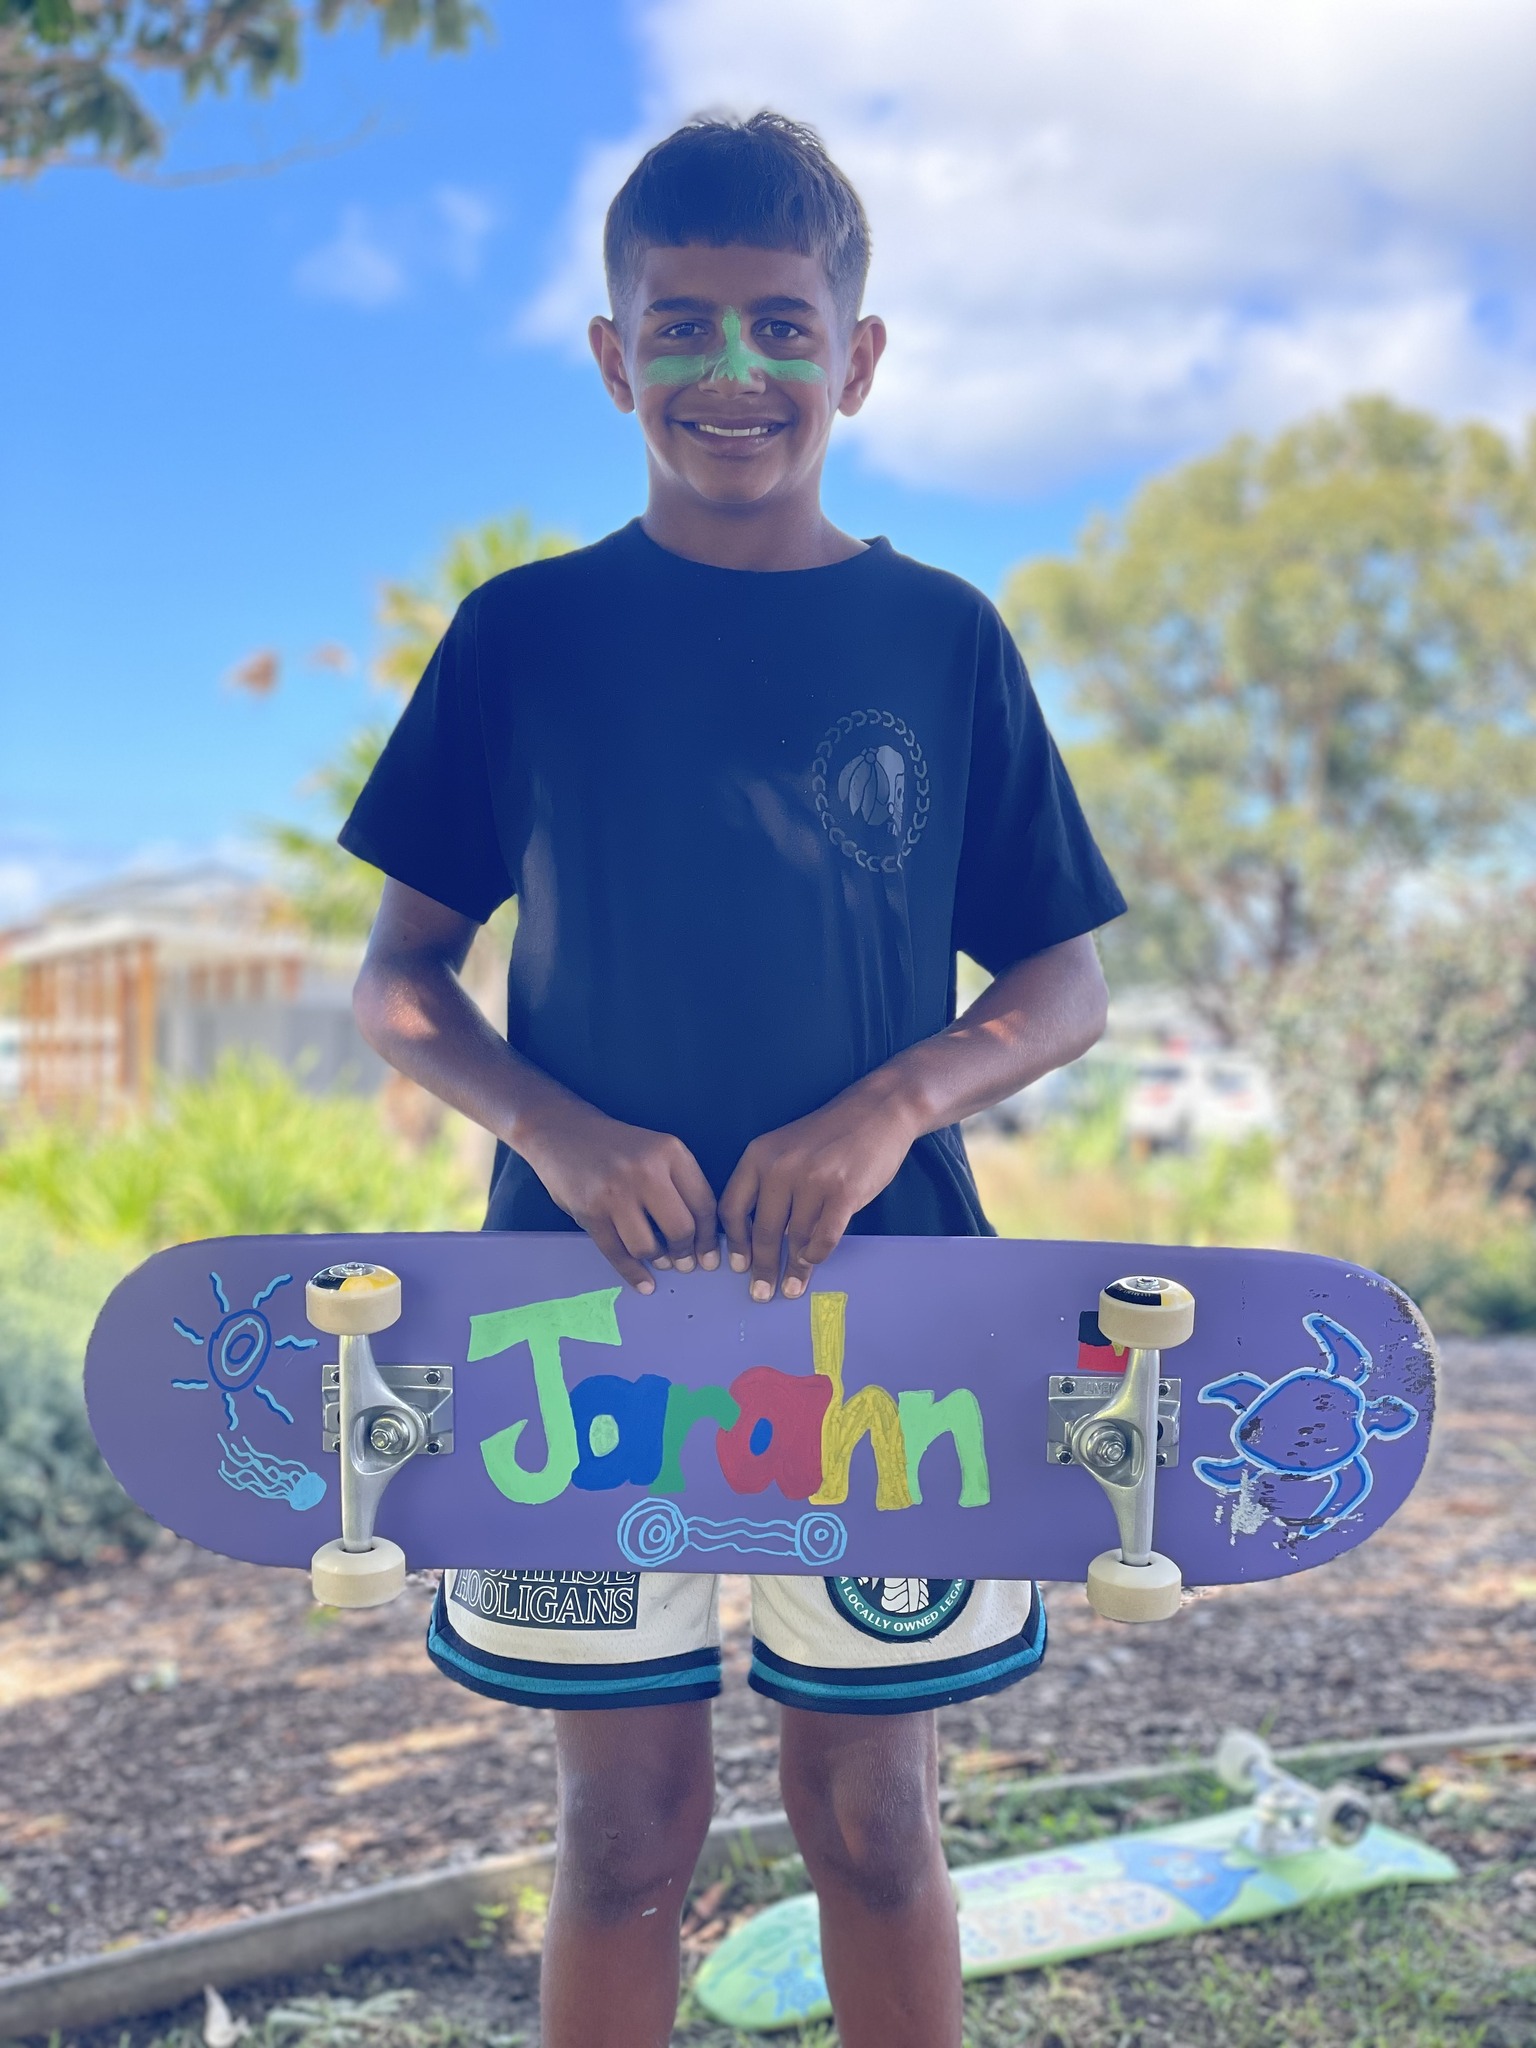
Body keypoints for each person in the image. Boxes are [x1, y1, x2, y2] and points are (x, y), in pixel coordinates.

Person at [339, 110, 1125, 2048]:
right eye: (680, 326)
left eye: (783, 324)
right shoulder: (522, 637)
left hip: (892, 1330)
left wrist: (889, 1109)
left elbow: (1064, 984)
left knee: (874, 1824)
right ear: (616, 358)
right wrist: (555, 1126)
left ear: (859, 356)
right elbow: (400, 980)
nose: (733, 370)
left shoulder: (942, 637)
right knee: (624, 1836)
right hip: (570, 1332)